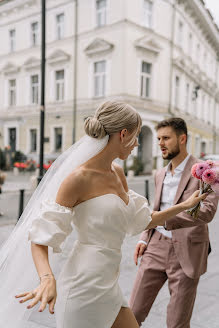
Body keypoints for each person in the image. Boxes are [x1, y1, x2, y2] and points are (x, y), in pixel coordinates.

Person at [0, 102, 206, 328]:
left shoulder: (117, 172)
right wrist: (47, 279)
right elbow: (40, 238)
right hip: (81, 288)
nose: (137, 144)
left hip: (109, 286)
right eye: (136, 136)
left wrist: (185, 205)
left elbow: (143, 218)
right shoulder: (77, 179)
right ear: (123, 134)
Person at [129, 118, 218, 328]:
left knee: (177, 322)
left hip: (187, 251)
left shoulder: (207, 173)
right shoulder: (159, 174)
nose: (160, 143)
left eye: (166, 138)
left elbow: (207, 212)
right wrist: (144, 238)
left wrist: (165, 219)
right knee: (131, 313)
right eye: (158, 138)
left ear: (182, 139)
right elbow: (155, 207)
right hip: (155, 246)